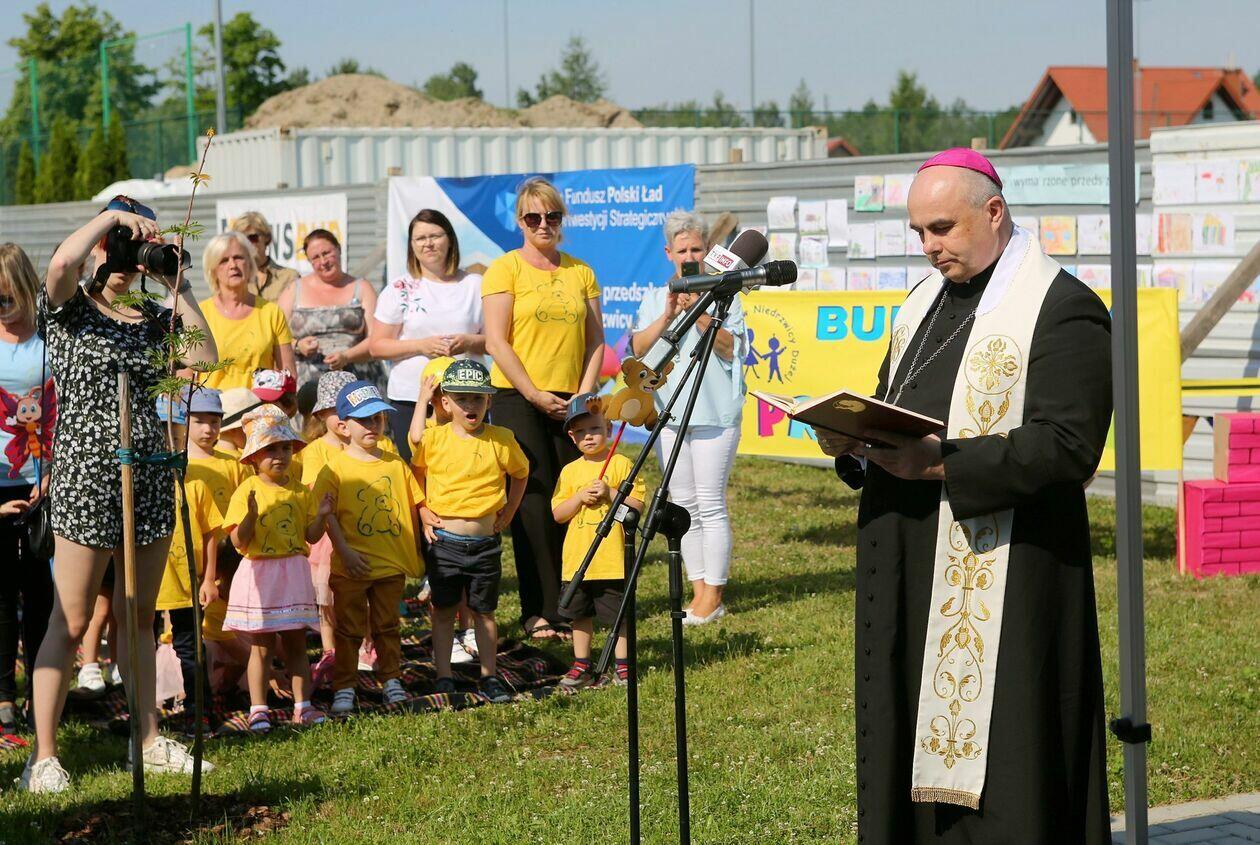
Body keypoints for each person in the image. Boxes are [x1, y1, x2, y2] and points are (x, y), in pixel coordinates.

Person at [815, 148, 1112, 843]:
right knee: (905, 734)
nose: (929, 246)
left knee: (1008, 762)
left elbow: (1068, 445)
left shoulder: (1062, 307)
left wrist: (942, 465)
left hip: (1009, 573)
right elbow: (892, 406)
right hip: (908, 562)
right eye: (919, 232)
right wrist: (853, 442)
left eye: (942, 228)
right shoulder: (921, 303)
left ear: (994, 211)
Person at [27, 198, 219, 793]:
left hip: (151, 475)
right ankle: (44, 757)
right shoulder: (70, 308)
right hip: (87, 477)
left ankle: (149, 741)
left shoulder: (154, 317)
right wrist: (110, 219)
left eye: (136, 245)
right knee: (73, 617)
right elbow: (60, 265)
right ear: (101, 245)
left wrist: (178, 285)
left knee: (139, 614)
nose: (127, 255)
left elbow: (204, 358)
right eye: (121, 244)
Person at [482, 177, 604, 641]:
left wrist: (584, 396)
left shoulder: (581, 272)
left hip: (573, 399)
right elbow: (496, 341)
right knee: (532, 504)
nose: (543, 224)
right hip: (518, 398)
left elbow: (596, 341)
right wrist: (533, 393)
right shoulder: (504, 270)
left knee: (573, 498)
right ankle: (538, 610)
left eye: (552, 216)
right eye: (533, 217)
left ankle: (575, 606)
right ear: (520, 221)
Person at [630, 210, 747, 624]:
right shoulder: (654, 297)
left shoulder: (726, 293)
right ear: (669, 253)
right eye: (682, 251)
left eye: (697, 249)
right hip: (671, 416)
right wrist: (668, 314)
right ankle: (698, 591)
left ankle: (713, 595)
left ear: (708, 251)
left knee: (710, 503)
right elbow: (640, 350)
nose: (690, 257)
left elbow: (731, 348)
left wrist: (699, 310)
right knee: (683, 505)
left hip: (716, 414)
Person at [412, 360, 527, 703]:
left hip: (485, 543)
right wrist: (423, 510)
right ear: (446, 403)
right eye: (461, 398)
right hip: (444, 541)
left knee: (484, 612)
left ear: (489, 401)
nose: (470, 405)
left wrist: (509, 510)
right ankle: (444, 675)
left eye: (477, 398)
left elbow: (521, 474)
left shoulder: (501, 439)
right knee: (444, 611)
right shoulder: (434, 438)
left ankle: (489, 676)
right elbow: (416, 470)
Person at [312, 381, 425, 713]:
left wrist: (418, 545)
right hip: (350, 568)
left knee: (387, 626)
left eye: (377, 418)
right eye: (363, 420)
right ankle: (345, 685)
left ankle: (391, 679)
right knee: (348, 630)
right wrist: (345, 552)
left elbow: (414, 505)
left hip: (389, 565)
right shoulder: (333, 469)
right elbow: (327, 517)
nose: (372, 425)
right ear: (343, 426)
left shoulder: (395, 464)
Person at [221, 404, 328, 731]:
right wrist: (251, 516)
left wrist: (323, 515)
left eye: (285, 448)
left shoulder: (299, 491)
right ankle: (258, 708)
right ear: (254, 456)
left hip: (293, 572)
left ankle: (303, 706)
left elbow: (311, 535)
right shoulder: (246, 491)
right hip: (261, 575)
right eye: (271, 449)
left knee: (296, 643)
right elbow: (238, 541)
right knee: (262, 646)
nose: (280, 455)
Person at [370, 210, 485, 462]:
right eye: (420, 238)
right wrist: (421, 346)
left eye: (435, 236)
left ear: (450, 239)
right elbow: (377, 346)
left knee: (468, 468)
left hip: (468, 399)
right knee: (418, 469)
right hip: (411, 397)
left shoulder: (475, 285)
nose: (428, 243)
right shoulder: (398, 289)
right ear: (411, 245)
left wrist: (468, 342)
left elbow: (496, 341)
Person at [551, 394, 644, 689]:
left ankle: (623, 665)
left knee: (619, 617)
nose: (588, 436)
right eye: (580, 432)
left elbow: (637, 507)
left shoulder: (620, 463)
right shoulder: (570, 471)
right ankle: (582, 663)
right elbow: (558, 514)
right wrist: (579, 497)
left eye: (594, 428)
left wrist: (610, 493)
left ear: (609, 428)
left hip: (612, 560)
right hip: (578, 561)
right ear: (571, 436)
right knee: (578, 615)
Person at [0, 243, 55, 735]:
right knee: (1, 595)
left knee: (41, 594)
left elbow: (67, 410)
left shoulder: (50, 340)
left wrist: (51, 475)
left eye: (9, 298)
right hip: (0, 483)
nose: (4, 309)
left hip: (44, 481)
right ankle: (3, 695)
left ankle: (42, 692)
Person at [153, 387, 232, 709]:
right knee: (145, 641)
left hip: (187, 583)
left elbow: (211, 532)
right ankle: (146, 708)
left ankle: (200, 709)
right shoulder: (140, 488)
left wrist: (208, 578)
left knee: (189, 644)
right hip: (151, 584)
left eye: (174, 437)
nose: (167, 445)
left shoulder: (195, 485)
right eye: (162, 437)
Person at [278, 229, 383, 390]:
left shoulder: (362, 288)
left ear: (339, 249)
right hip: (308, 386)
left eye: (326, 253)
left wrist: (346, 356)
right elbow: (276, 337)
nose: (323, 261)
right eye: (315, 257)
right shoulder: (293, 290)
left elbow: (376, 339)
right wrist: (298, 345)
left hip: (358, 382)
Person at [200, 231, 296, 391]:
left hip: (260, 405)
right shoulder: (199, 315)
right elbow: (184, 379)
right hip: (213, 406)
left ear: (250, 264)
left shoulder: (271, 313)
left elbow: (288, 375)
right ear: (213, 270)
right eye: (224, 260)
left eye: (239, 258)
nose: (233, 265)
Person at [229, 211, 300, 302]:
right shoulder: (232, 280)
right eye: (243, 240)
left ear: (266, 238)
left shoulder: (289, 277)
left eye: (253, 238)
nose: (248, 244)